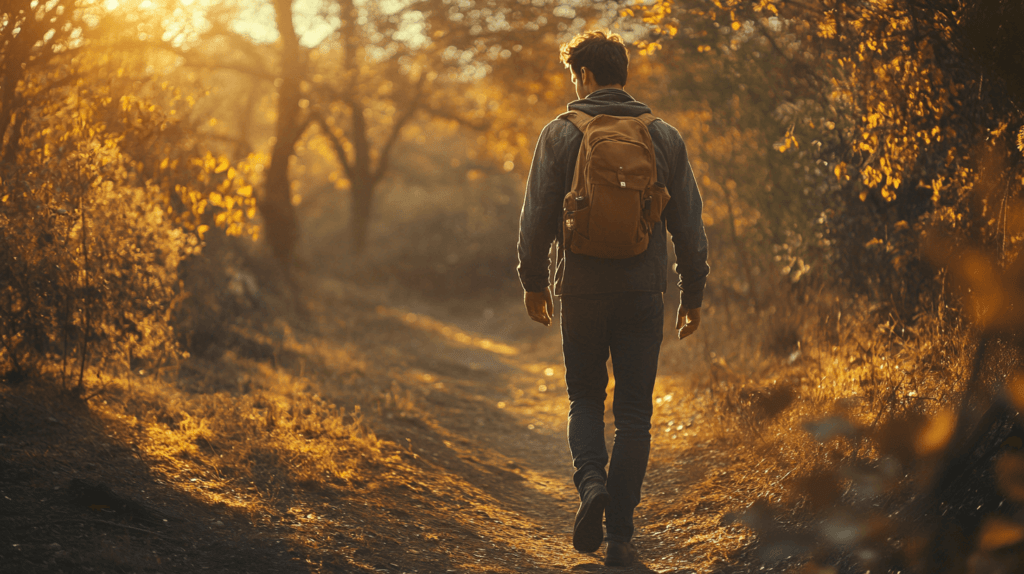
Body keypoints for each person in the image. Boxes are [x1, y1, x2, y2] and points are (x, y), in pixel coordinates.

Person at [516, 30, 709, 567]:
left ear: (584, 75)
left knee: (584, 397)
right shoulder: (663, 135)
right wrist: (692, 291)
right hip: (644, 290)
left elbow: (535, 218)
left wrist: (533, 282)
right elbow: (689, 225)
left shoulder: (560, 133)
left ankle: (592, 484)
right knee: (634, 414)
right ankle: (621, 534)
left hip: (581, 287)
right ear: (622, 74)